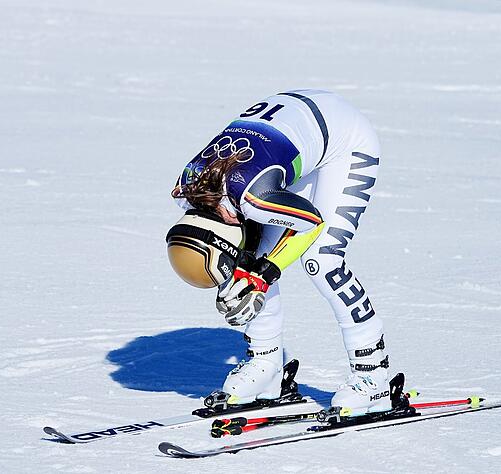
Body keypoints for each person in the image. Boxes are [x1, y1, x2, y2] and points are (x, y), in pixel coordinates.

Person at [165, 89, 389, 415]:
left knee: (322, 260)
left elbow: (310, 223)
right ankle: (266, 366)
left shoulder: (254, 197)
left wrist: (264, 273)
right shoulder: (186, 189)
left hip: (345, 140)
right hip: (293, 135)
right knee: (247, 258)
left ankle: (373, 376)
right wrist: (249, 267)